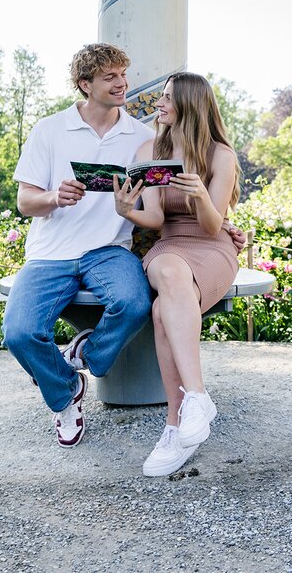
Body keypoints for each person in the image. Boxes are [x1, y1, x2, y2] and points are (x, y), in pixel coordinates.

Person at [3, 45, 242, 449]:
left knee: (133, 304)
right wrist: (53, 197)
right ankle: (66, 395)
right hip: (50, 253)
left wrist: (223, 227)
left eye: (123, 75)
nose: (122, 84)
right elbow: (25, 202)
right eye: (110, 77)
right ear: (85, 85)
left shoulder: (145, 139)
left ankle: (90, 356)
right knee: (19, 333)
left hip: (108, 251)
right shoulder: (49, 130)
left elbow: (177, 199)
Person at [112, 72, 240, 476]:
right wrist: (125, 210)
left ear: (189, 103)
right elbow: (153, 218)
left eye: (167, 97)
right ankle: (197, 400)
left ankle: (175, 425)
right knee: (168, 270)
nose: (159, 104)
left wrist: (201, 195)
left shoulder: (220, 156)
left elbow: (210, 225)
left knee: (160, 312)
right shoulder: (151, 149)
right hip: (170, 244)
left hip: (212, 246)